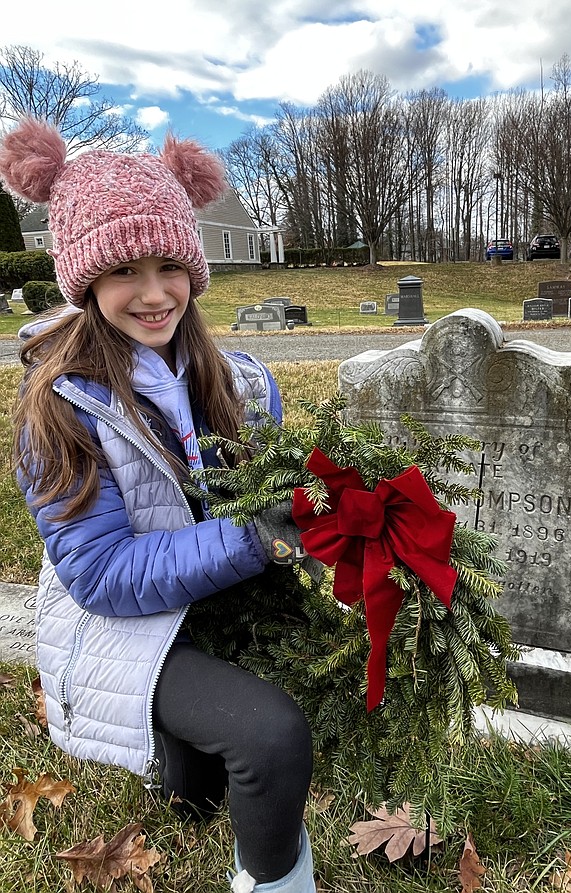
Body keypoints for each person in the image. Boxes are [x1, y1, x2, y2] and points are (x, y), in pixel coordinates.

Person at [0, 118, 316, 893]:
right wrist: (250, 540)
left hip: (213, 603)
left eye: (170, 263)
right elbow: (102, 575)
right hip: (119, 627)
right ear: (83, 280)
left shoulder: (239, 381)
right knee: (271, 737)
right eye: (123, 270)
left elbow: (271, 493)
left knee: (195, 795)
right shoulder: (59, 407)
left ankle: (182, 765)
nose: (153, 292)